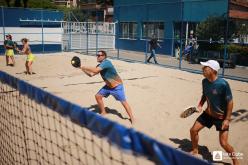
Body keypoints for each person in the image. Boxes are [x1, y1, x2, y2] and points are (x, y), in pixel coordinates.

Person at [190, 60, 239, 165]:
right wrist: (200, 105)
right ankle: (195, 150)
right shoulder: (204, 82)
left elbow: (230, 102)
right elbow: (204, 95)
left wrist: (227, 119)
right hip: (208, 114)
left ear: (212, 70)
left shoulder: (223, 84)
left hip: (221, 118)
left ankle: (235, 161)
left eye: (205, 68)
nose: (202, 69)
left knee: (224, 143)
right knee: (193, 130)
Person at [80, 50, 135, 124]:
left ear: (104, 56)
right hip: (108, 86)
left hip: (117, 87)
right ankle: (103, 112)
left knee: (124, 102)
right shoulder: (99, 66)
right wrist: (82, 68)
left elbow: (95, 70)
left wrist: (84, 66)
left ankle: (132, 119)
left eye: (99, 55)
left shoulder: (107, 62)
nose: (98, 56)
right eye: (97, 55)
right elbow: (91, 74)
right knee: (98, 96)